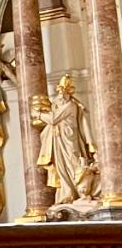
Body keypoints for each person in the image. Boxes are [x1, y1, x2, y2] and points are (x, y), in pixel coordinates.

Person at [34, 76, 100, 206]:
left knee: (73, 166)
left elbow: (53, 119)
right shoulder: (61, 104)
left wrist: (38, 114)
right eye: (59, 91)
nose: (60, 94)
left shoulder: (70, 106)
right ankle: (67, 194)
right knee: (61, 168)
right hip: (59, 140)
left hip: (70, 141)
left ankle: (79, 193)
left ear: (68, 92)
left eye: (63, 91)